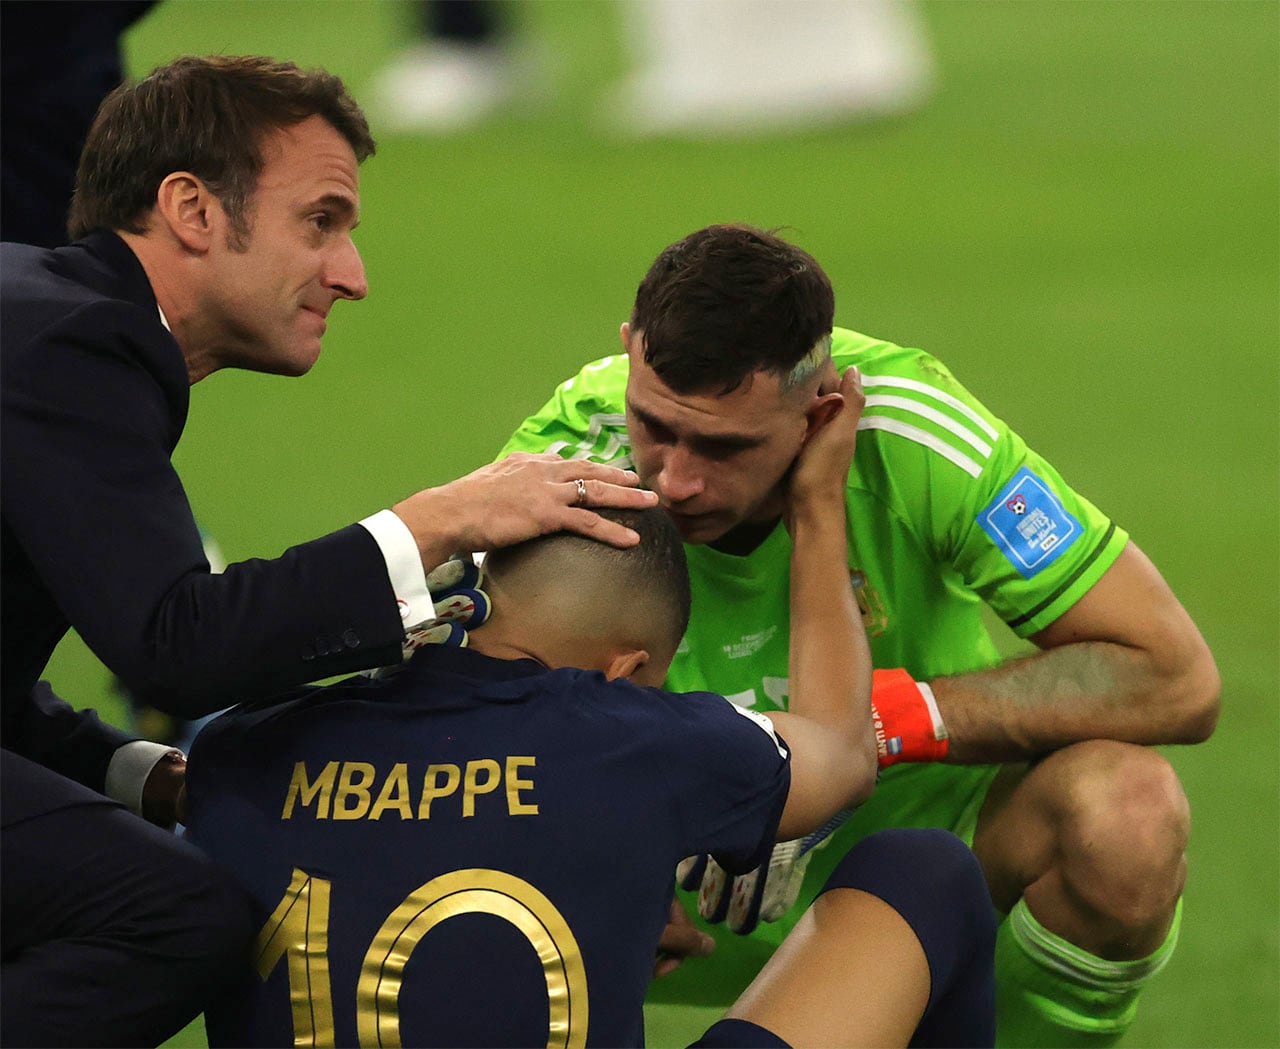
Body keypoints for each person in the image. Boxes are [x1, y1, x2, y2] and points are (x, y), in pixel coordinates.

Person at [0, 54, 653, 1046]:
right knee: (173, 911)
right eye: (321, 220)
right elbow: (177, 643)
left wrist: (159, 776)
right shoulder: (76, 349)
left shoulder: (45, 320)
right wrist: (441, 520)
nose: (351, 275)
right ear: (192, 209)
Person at [497, 223, 1222, 1047]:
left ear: (821, 410)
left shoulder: (916, 432)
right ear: (629, 353)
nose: (678, 478)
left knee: (1127, 815)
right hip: (666, 885)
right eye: (655, 426)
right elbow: (471, 711)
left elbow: (1174, 675)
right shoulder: (563, 454)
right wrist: (605, 827)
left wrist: (869, 728)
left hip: (916, 858)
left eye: (727, 446)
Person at [185, 417, 997, 1046]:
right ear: (626, 668)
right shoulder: (640, 742)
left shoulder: (237, 749)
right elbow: (841, 748)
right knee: (923, 869)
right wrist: (819, 508)